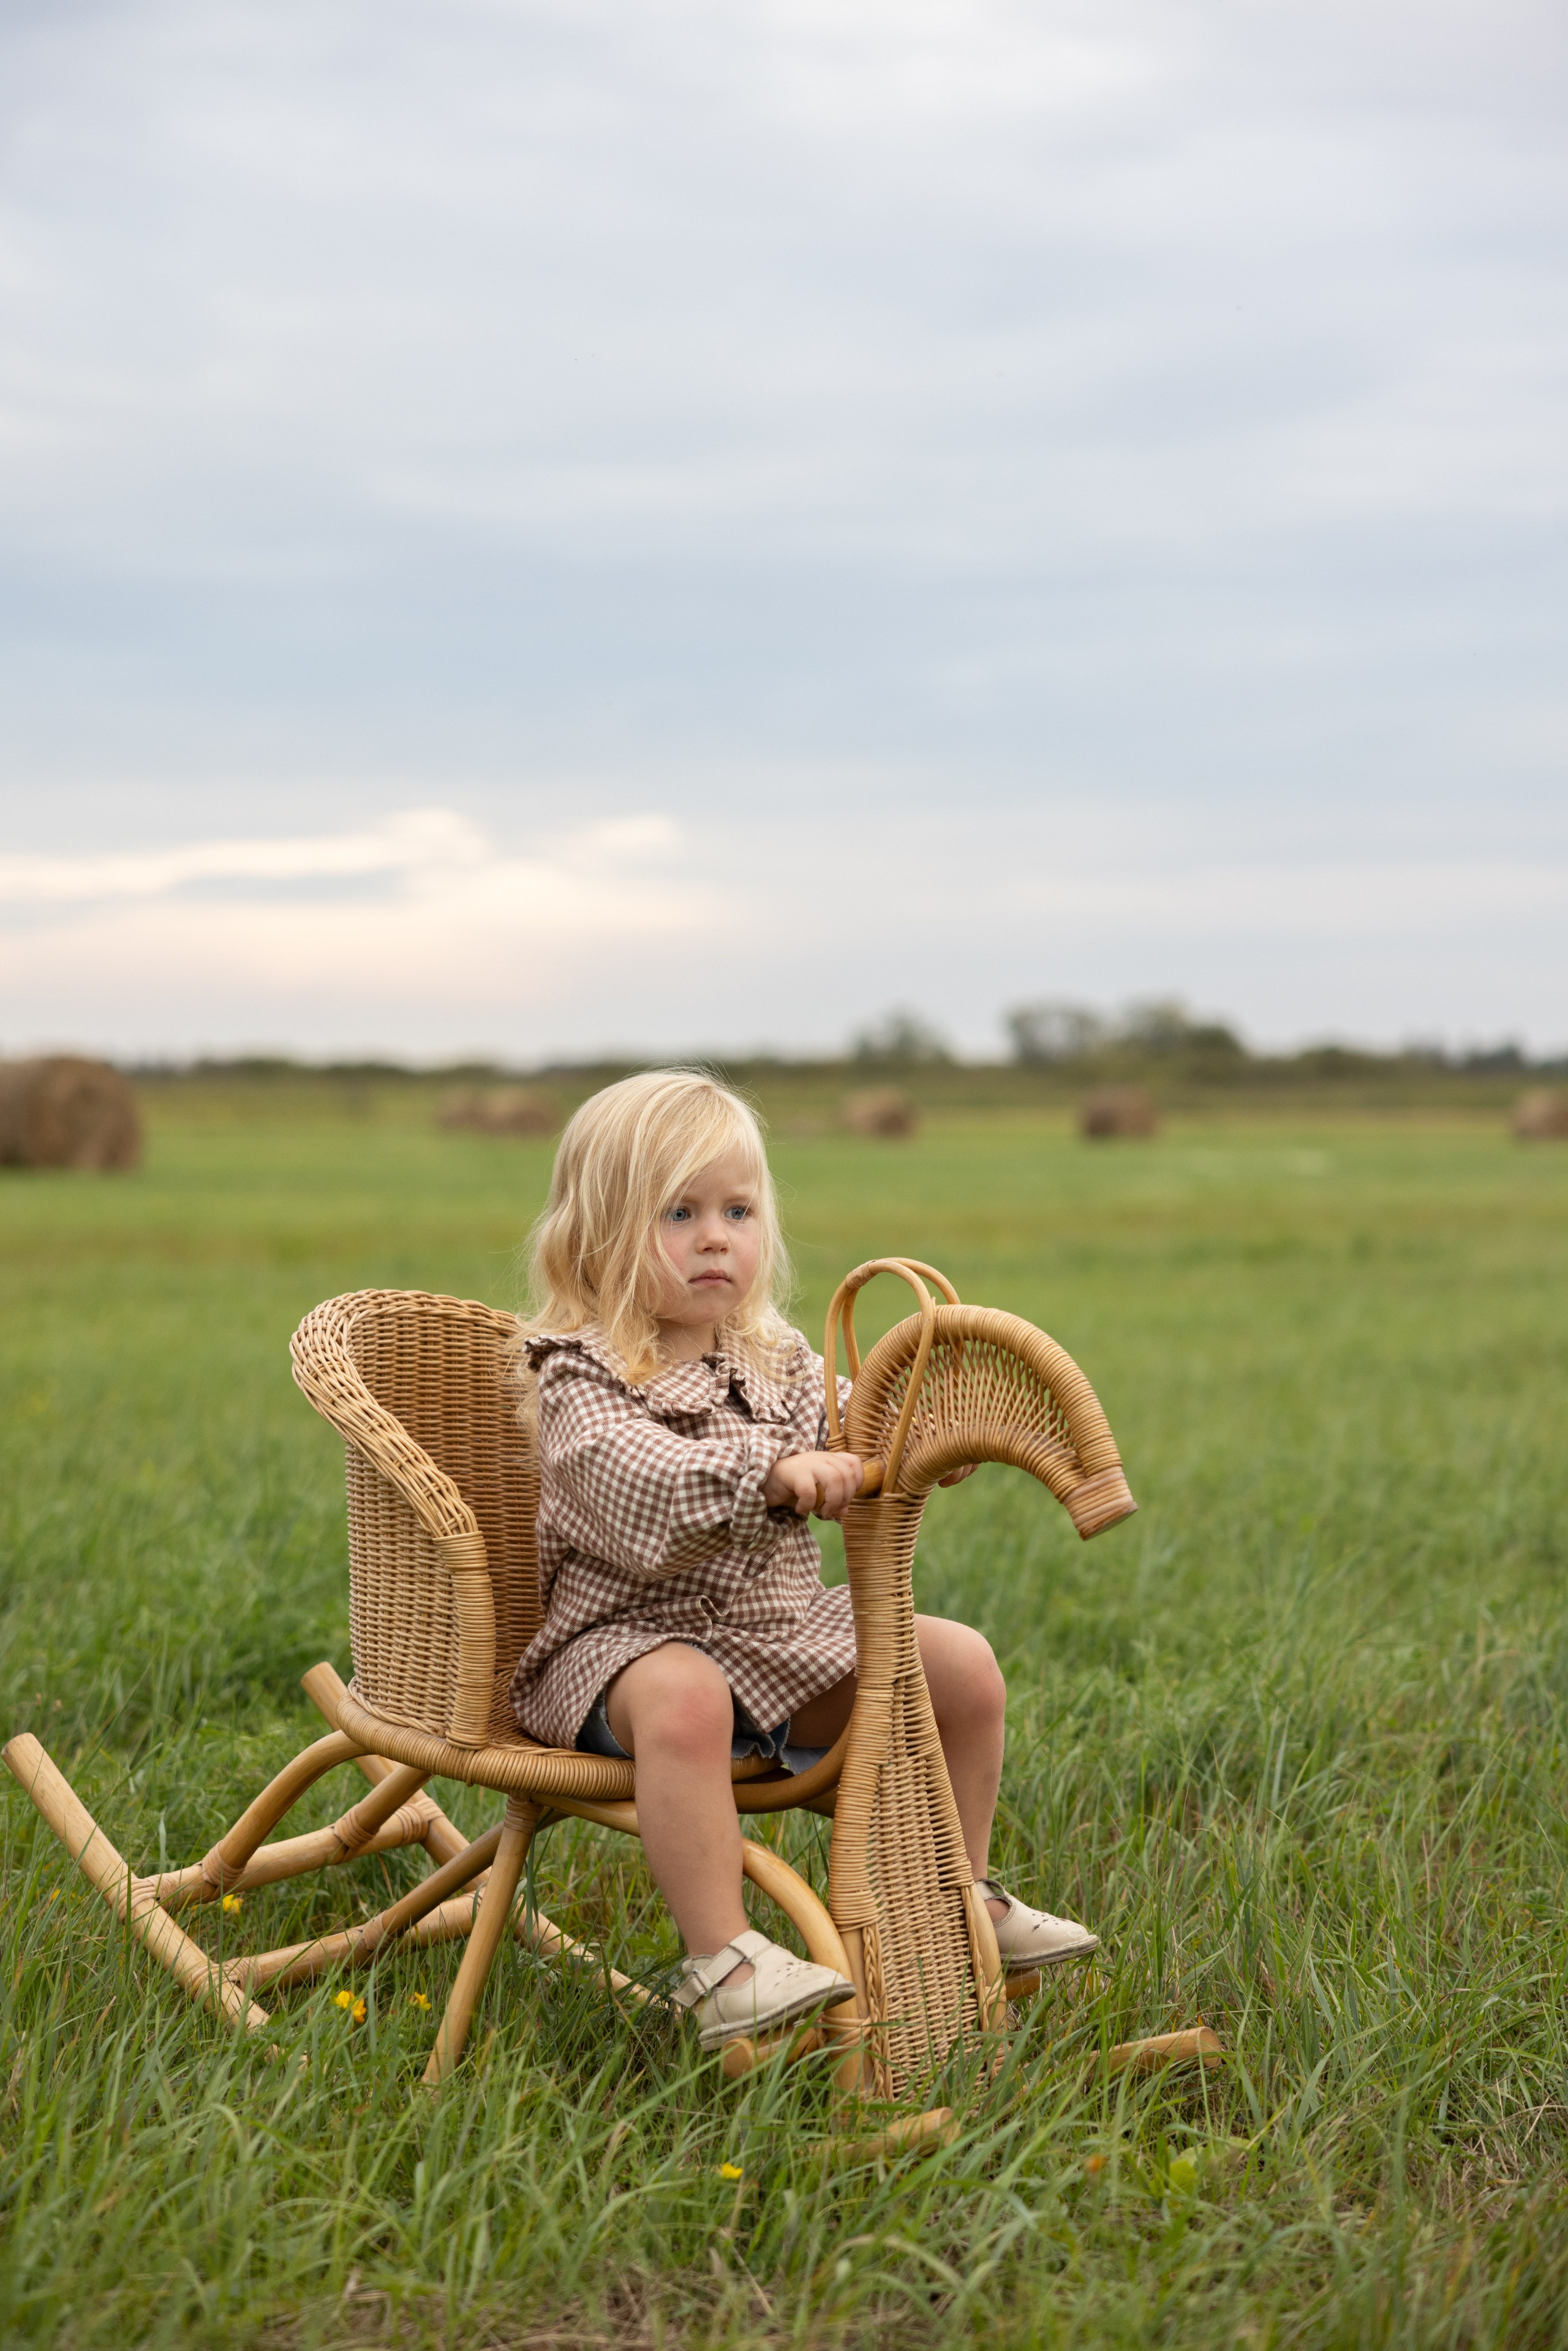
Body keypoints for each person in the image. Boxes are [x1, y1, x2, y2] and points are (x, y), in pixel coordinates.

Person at [509, 1069, 1097, 2051]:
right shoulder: (581, 1374)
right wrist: (770, 1472)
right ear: (597, 1236)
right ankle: (722, 1957)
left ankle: (961, 1890)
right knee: (686, 1695)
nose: (716, 1236)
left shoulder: (773, 1355)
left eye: (738, 1210)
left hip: (779, 1641)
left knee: (959, 1667)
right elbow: (635, 1484)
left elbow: (857, 1414)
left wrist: (916, 1434)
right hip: (626, 1651)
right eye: (679, 1211)